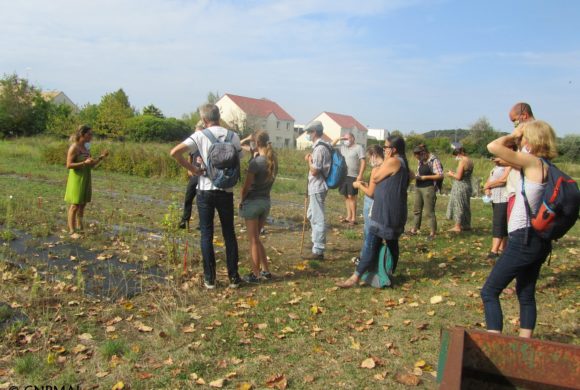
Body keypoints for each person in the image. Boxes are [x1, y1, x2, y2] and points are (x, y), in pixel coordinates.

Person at [481, 120, 556, 338]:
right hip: (539, 240)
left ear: (530, 141)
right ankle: (525, 344)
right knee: (525, 294)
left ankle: (494, 344)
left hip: (522, 238)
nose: (519, 142)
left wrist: (514, 134)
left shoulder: (531, 162)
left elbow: (493, 146)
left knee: (489, 291)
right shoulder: (547, 166)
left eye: (523, 139)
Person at [170, 104, 243, 289]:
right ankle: (234, 278)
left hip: (205, 190)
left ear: (204, 120)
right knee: (229, 234)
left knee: (206, 234)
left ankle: (210, 279)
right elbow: (238, 158)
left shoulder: (200, 135)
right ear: (219, 116)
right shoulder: (233, 136)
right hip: (226, 191)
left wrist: (193, 169)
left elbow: (174, 152)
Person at [336, 136, 409, 288]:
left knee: (371, 243)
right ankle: (388, 272)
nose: (384, 150)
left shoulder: (394, 161)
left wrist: (380, 166)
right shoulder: (403, 162)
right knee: (391, 243)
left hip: (385, 212)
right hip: (393, 210)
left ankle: (355, 278)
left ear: (393, 149)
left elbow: (375, 177)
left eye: (386, 147)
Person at [239, 130, 277, 283]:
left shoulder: (255, 163)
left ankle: (255, 275)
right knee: (257, 238)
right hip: (265, 202)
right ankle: (266, 270)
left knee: (253, 240)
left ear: (256, 143)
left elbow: (246, 187)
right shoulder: (272, 161)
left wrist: (241, 200)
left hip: (253, 202)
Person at [64, 124, 107, 238]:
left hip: (86, 178)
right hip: (77, 180)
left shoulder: (86, 148)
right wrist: (84, 163)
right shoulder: (74, 147)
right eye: (89, 134)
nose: (91, 136)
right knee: (75, 205)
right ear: (82, 134)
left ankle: (80, 228)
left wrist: (101, 157)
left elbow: (91, 165)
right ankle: (72, 231)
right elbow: (68, 165)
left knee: (82, 205)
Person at [350, 145, 384, 265]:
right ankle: (371, 258)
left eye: (370, 157)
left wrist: (359, 186)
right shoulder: (387, 167)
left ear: (374, 155)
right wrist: (366, 184)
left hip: (371, 204)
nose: (370, 160)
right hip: (381, 203)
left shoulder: (376, 169)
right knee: (374, 233)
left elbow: (370, 193)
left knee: (368, 232)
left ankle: (365, 260)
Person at [302, 120, 331, 260]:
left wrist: (309, 159)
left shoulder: (320, 148)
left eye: (309, 132)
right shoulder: (320, 147)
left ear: (314, 132)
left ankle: (318, 250)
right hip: (315, 187)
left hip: (318, 186)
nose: (307, 134)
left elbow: (314, 171)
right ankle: (315, 243)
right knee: (312, 215)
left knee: (318, 218)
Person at [506, 103, 535, 220]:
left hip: (527, 193)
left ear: (524, 115)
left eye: (515, 120)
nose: (514, 124)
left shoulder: (535, 132)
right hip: (519, 190)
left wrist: (507, 161)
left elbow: (530, 162)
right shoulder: (526, 133)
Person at [409, 144, 444, 240]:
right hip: (418, 187)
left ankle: (432, 233)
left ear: (424, 153)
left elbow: (440, 175)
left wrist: (425, 177)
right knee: (417, 210)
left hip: (428, 188)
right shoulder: (420, 161)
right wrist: (415, 176)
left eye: (419, 156)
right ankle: (414, 229)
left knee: (429, 212)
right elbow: (419, 172)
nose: (418, 159)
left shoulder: (434, 160)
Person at [332, 132, 366, 225]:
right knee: (346, 196)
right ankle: (348, 216)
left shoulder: (359, 148)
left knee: (352, 196)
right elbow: (331, 146)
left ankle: (354, 218)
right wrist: (339, 139)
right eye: (344, 139)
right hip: (343, 176)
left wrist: (360, 174)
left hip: (353, 175)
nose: (345, 141)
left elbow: (363, 161)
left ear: (353, 138)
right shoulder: (342, 147)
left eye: (347, 138)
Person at [484, 158, 511, 259]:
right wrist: (487, 188)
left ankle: (494, 250)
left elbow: (503, 180)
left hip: (504, 198)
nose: (494, 159)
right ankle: (502, 247)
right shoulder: (497, 167)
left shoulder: (509, 165)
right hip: (495, 198)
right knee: (502, 223)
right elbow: (490, 178)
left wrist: (488, 185)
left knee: (498, 222)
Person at [179, 121, 204, 229]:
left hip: (204, 176)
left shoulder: (207, 143)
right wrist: (189, 169)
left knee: (201, 200)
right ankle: (185, 221)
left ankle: (201, 224)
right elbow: (190, 156)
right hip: (194, 175)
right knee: (188, 198)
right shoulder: (193, 144)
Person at [446, 142, 474, 232]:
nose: (456, 157)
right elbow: (463, 174)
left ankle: (457, 226)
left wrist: (450, 174)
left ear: (460, 153)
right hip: (467, 184)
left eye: (457, 155)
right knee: (465, 205)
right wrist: (454, 173)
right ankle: (466, 224)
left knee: (459, 205)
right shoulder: (470, 160)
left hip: (460, 186)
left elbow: (458, 177)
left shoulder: (462, 161)